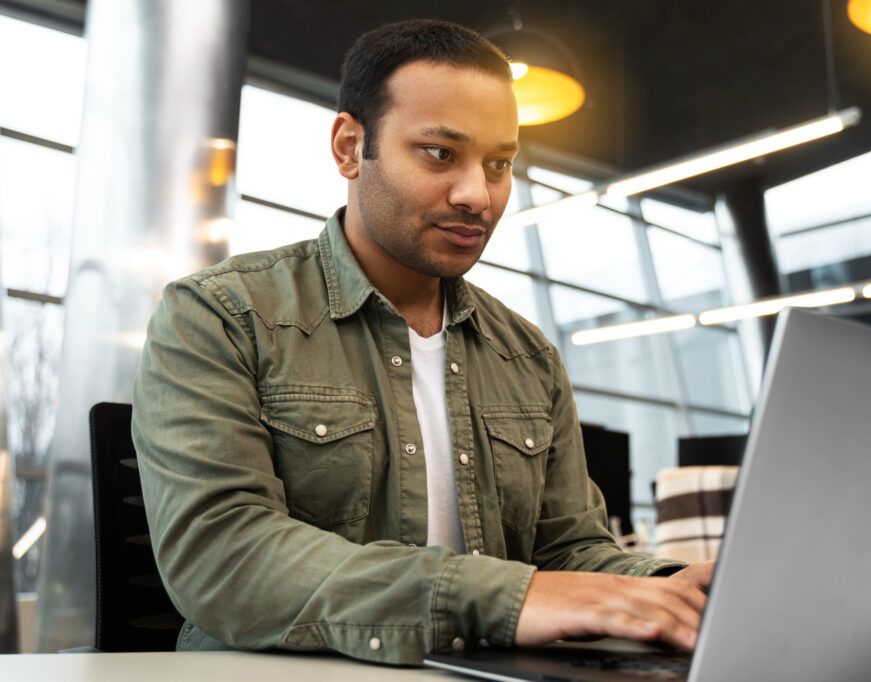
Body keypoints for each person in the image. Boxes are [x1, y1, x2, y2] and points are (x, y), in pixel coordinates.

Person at [132, 18, 712, 666]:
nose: (478, 195)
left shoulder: (529, 359)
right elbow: (224, 557)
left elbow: (569, 553)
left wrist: (669, 591)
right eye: (441, 153)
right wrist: (504, 597)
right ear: (351, 148)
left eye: (499, 164)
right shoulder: (220, 316)